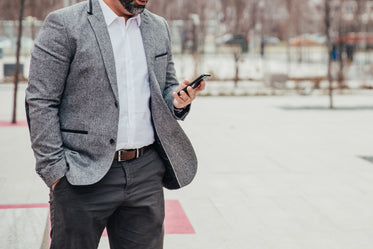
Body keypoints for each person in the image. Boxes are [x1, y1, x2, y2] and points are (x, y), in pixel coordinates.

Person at [25, 0, 204, 248]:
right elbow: (41, 100)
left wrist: (178, 100)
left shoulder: (158, 26)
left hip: (146, 172)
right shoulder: (64, 24)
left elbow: (166, 87)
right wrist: (55, 173)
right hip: (81, 174)